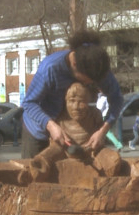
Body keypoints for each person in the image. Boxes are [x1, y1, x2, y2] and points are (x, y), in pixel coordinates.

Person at [21, 29, 124, 158]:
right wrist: (50, 125)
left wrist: (103, 130)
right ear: (74, 63)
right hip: (39, 131)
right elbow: (29, 103)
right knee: (36, 171)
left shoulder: (97, 68)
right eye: (85, 80)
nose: (87, 84)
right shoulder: (50, 68)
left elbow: (117, 99)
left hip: (76, 132)